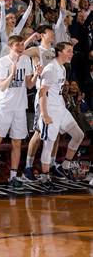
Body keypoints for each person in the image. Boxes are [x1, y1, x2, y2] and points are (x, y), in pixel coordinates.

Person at [0, 35, 38, 189]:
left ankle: (13, 176)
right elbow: (1, 87)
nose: (21, 48)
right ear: (11, 46)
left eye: (22, 45)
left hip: (20, 107)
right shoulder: (3, 62)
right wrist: (12, 73)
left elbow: (29, 85)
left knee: (17, 142)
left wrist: (36, 75)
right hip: (5, 106)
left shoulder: (26, 60)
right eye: (18, 45)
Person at [38, 42, 85, 190]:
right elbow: (42, 93)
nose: (71, 54)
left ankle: (65, 166)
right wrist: (44, 114)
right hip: (50, 110)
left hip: (61, 109)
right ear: (60, 52)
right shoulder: (51, 68)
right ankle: (44, 177)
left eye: (72, 51)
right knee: (49, 144)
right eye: (69, 51)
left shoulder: (63, 68)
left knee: (78, 135)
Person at [23, 25, 64, 182]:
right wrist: (30, 39)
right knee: (39, 132)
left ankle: (51, 164)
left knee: (57, 130)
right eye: (50, 33)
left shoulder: (55, 51)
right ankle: (28, 166)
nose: (53, 34)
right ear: (42, 35)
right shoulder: (36, 50)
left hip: (55, 95)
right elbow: (17, 53)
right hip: (42, 94)